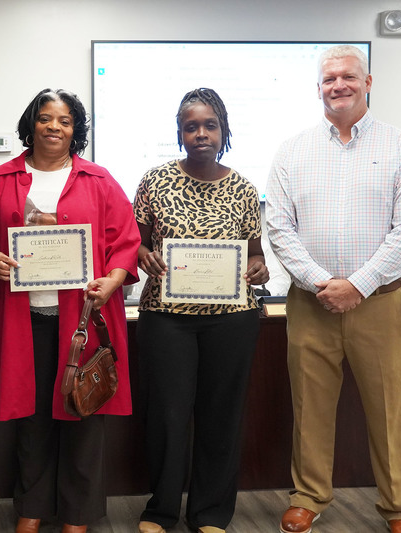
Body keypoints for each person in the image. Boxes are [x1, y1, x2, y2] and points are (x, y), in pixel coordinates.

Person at [266, 45, 401, 533]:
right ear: (318, 87)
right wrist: (322, 283)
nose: (338, 85)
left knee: (389, 409)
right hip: (310, 303)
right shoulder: (292, 150)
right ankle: (309, 496)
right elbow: (278, 227)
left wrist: (357, 285)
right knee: (309, 407)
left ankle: (400, 508)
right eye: (328, 78)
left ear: (368, 82)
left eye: (348, 77)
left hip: (379, 302)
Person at [0, 88, 140, 533]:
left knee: (83, 415)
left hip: (83, 321)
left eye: (64, 121)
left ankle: (78, 515)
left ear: (75, 129)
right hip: (24, 322)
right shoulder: (1, 180)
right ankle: (32, 507)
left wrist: (114, 279)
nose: (54, 127)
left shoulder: (98, 180)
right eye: (46, 118)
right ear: (32, 122)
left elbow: (126, 242)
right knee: (32, 420)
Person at [132, 88, 269, 533]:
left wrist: (258, 268)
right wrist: (142, 255)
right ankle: (161, 510)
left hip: (231, 319)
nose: (201, 133)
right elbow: (136, 242)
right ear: (180, 134)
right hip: (167, 317)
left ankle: (210, 512)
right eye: (191, 126)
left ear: (224, 131)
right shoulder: (154, 181)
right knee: (168, 416)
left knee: (220, 415)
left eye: (210, 125)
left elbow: (255, 255)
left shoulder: (245, 189)